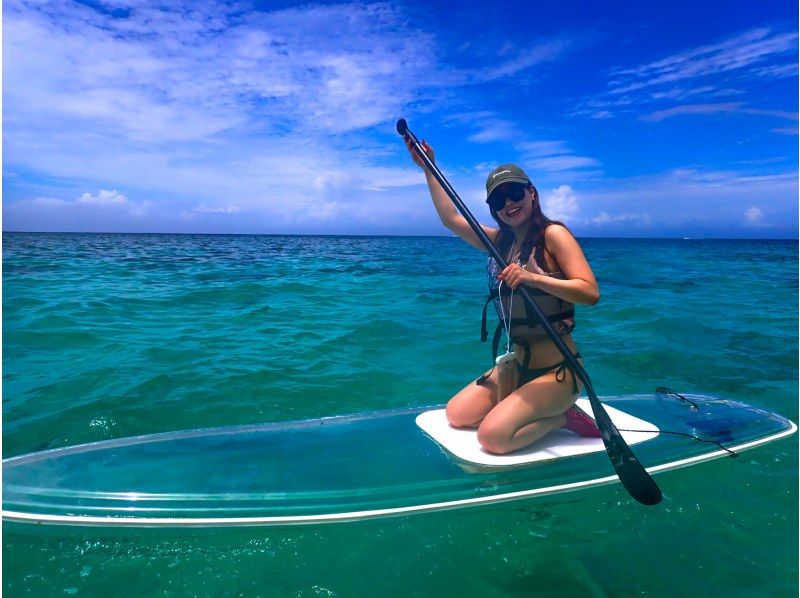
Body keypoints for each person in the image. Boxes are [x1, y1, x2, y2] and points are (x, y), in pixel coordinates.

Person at [406, 138, 602, 455]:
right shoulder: (499, 243)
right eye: (498, 199)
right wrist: (428, 166)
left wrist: (531, 277)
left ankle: (561, 417)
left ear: (532, 193)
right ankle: (530, 408)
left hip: (558, 372)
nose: (508, 202)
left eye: (515, 193)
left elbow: (590, 292)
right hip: (515, 368)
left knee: (492, 438)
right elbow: (452, 220)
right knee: (456, 415)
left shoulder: (553, 235)